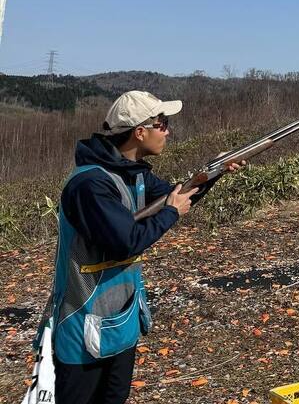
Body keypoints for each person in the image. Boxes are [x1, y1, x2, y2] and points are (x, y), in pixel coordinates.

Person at [36, 91, 244, 404]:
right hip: (82, 329)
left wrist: (214, 172)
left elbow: (178, 194)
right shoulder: (90, 185)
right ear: (140, 132)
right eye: (163, 124)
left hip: (121, 321)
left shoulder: (135, 175)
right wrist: (171, 213)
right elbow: (127, 242)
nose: (168, 131)